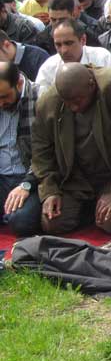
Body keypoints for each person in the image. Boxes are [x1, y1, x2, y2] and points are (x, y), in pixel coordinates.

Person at [32, 63, 111, 236]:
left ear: (91, 86)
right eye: (67, 103)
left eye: (77, 101)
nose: (73, 108)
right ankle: (88, 210)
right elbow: (41, 152)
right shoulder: (48, 103)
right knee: (52, 223)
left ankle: (108, 204)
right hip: (75, 181)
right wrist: (49, 192)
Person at [0, 63, 42, 236]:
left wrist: (26, 184)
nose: (1, 103)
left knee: (20, 221)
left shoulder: (42, 98)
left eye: (4, 97)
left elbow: (47, 154)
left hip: (32, 179)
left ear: (18, 83)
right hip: (2, 177)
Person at [35, 20, 111, 93]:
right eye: (58, 45)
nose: (64, 50)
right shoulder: (48, 68)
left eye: (69, 43)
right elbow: (43, 105)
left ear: (83, 40)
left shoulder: (102, 58)